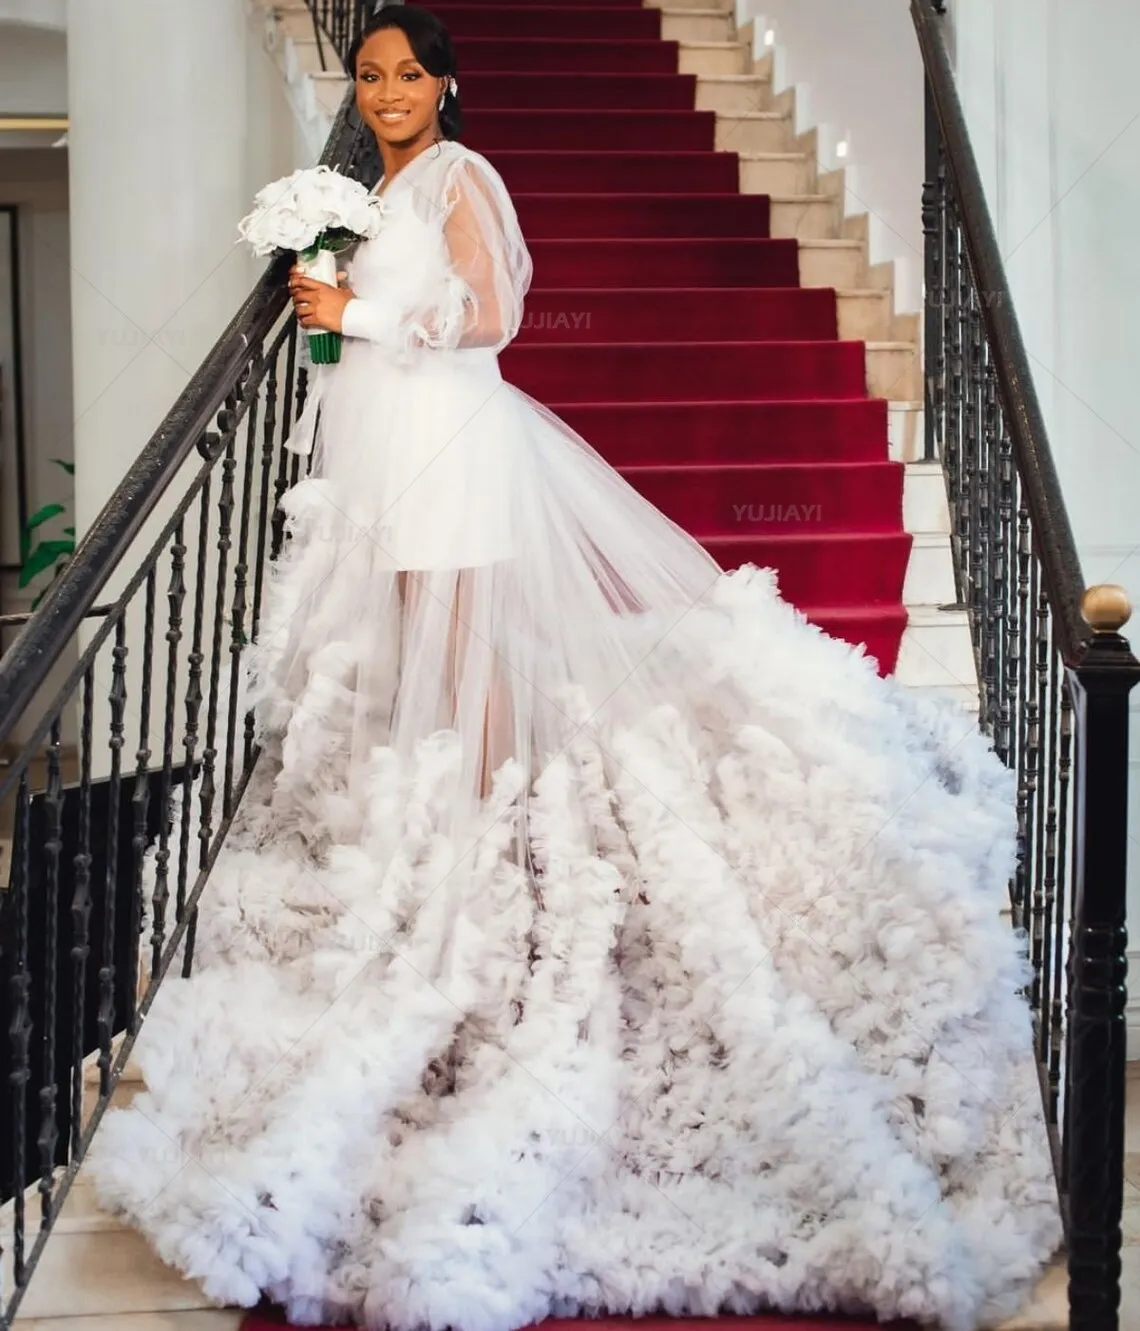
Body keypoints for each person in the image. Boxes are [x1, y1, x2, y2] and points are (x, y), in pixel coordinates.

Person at [87, 7, 1061, 1330]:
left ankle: (498, 868)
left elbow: (492, 313)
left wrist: (354, 304)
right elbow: (385, 320)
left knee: (468, 659)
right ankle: (457, 842)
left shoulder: (464, 177)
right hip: (388, 448)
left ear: (443, 83)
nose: (383, 94)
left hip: (451, 446)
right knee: (415, 658)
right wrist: (331, 307)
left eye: (403, 75)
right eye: (368, 76)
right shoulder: (374, 185)